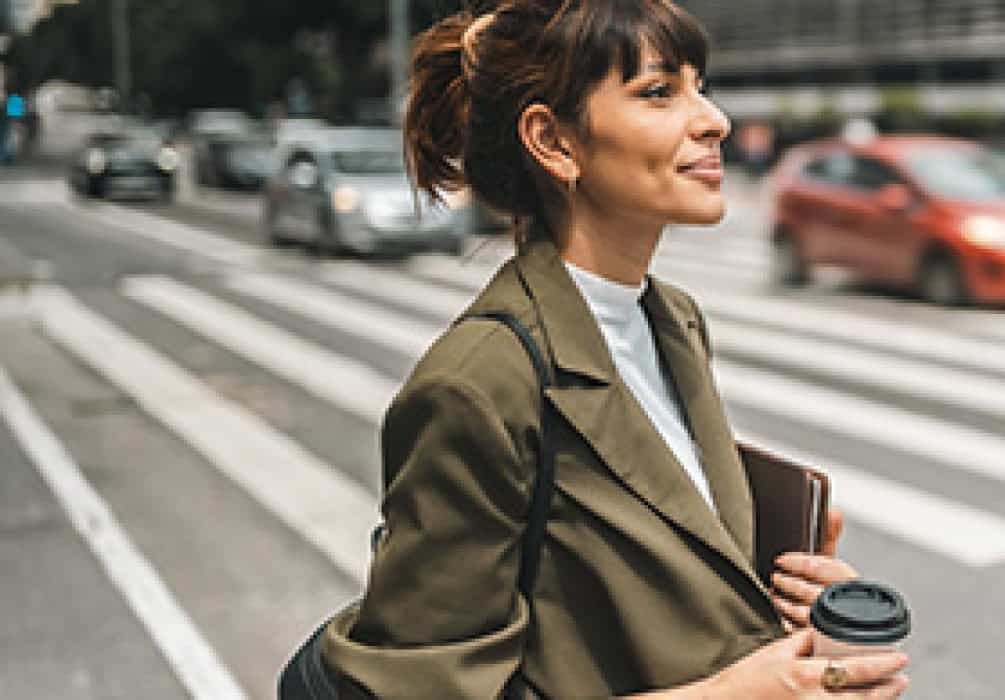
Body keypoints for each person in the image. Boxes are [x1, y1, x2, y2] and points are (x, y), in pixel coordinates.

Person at [318, 2, 909, 697]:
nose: (712, 118)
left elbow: (653, 579)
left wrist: (790, 600)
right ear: (555, 142)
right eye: (659, 92)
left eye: (700, 84)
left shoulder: (674, 321)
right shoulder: (477, 384)